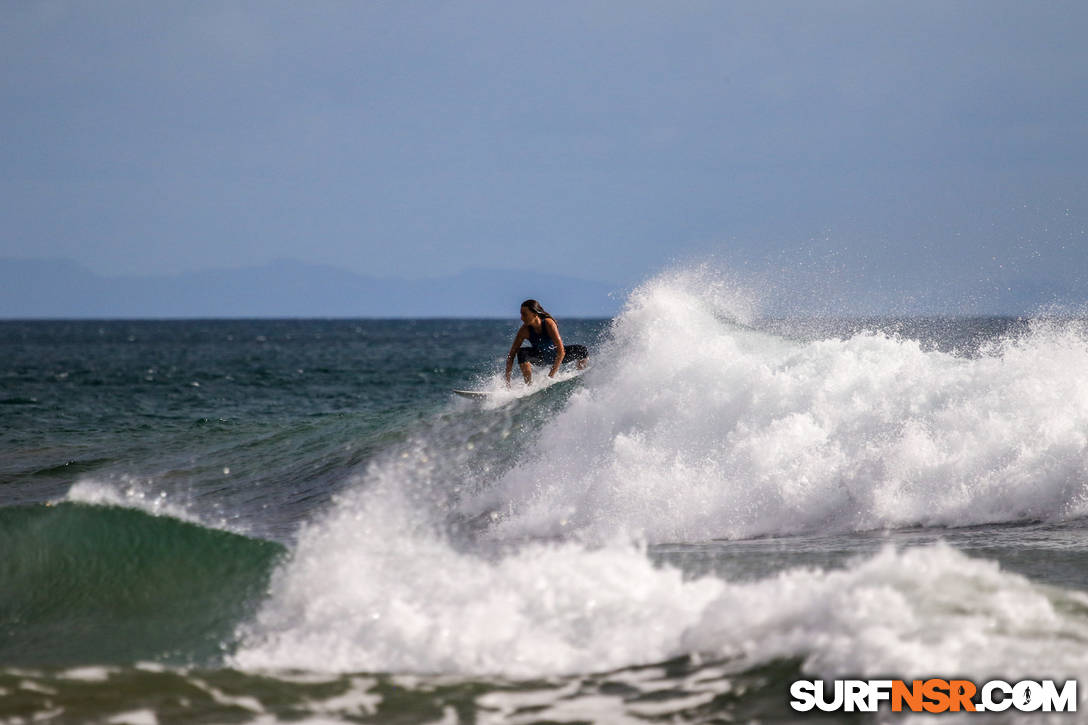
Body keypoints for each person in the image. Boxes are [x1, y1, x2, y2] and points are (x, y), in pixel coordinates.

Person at [505, 299, 589, 386]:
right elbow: (511, 356)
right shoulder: (524, 331)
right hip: (540, 357)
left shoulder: (549, 323)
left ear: (535, 314)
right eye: (521, 314)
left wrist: (550, 377)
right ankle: (529, 385)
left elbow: (561, 351)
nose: (521, 318)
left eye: (524, 315)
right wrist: (507, 383)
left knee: (582, 350)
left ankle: (580, 378)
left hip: (556, 354)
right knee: (522, 353)